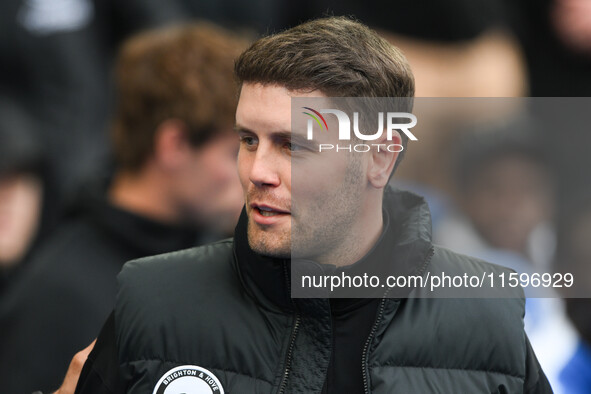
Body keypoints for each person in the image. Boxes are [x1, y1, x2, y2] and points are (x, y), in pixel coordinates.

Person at [73, 16, 552, 394]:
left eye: (291, 145)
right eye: (247, 139)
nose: (257, 170)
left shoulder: (485, 316)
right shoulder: (154, 301)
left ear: (379, 159)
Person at [0, 23, 245, 394]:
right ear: (174, 144)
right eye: (235, 151)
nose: (253, 172)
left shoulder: (220, 256)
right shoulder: (54, 299)